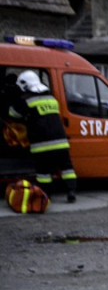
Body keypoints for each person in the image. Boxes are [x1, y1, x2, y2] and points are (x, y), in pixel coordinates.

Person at [8, 70, 77, 203]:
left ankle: (46, 194)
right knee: (67, 168)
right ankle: (71, 191)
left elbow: (13, 115)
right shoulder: (52, 99)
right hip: (61, 142)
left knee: (43, 171)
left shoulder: (26, 100)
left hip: (41, 144)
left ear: (25, 85)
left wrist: (15, 98)